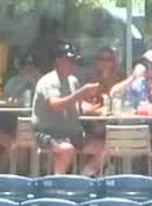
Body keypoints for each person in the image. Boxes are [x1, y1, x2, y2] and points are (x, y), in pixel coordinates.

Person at [33, 44, 105, 176]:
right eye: (69, 61)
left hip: (73, 134)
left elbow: (78, 105)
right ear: (58, 61)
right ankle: (56, 184)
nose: (73, 65)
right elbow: (54, 106)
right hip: (49, 133)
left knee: (105, 148)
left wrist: (99, 110)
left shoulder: (73, 80)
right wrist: (81, 93)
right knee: (67, 150)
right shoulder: (49, 81)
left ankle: (84, 177)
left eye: (74, 61)